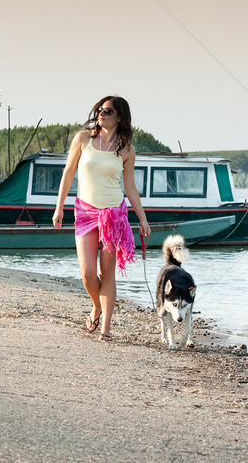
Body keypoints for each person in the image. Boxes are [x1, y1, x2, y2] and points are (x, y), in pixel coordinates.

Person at [52, 96, 150, 342]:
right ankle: (96, 304)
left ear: (119, 116)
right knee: (87, 273)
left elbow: (130, 187)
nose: (101, 114)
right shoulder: (83, 138)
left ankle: (105, 329)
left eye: (108, 111)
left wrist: (143, 218)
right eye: (99, 110)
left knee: (107, 273)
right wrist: (59, 206)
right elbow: (68, 172)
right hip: (84, 212)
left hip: (113, 215)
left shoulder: (126, 148)